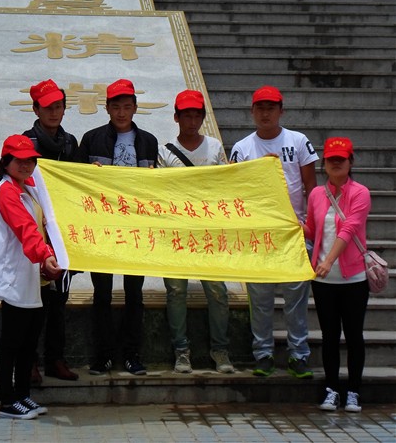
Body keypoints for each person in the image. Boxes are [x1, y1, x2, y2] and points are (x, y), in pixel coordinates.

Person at [229, 85, 318, 378]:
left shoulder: (298, 141)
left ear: (281, 110)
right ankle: (263, 353)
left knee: (296, 301)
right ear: (252, 111)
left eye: (271, 108)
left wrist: (311, 227)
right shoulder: (243, 148)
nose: (265, 113)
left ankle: (298, 354)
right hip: (259, 235)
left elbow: (311, 187)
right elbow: (235, 191)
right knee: (260, 300)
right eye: (260, 108)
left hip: (293, 233)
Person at [76, 78, 158, 375]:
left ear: (135, 108)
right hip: (102, 228)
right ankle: (103, 356)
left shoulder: (148, 141)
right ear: (107, 108)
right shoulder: (91, 138)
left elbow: (156, 188)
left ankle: (132, 354)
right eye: (116, 107)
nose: (121, 112)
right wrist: (89, 174)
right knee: (102, 294)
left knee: (135, 294)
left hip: (136, 228)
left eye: (127, 106)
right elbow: (76, 182)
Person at [0, 134, 62, 419]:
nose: (27, 165)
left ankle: (23, 395)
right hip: (14, 276)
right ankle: (7, 402)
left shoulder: (27, 187)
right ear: (6, 162)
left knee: (28, 342)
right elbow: (25, 227)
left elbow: (44, 221)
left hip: (32, 275)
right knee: (12, 342)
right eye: (20, 160)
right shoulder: (7, 191)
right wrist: (45, 254)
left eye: (31, 160)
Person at [157, 89, 234, 374]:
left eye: (197, 115)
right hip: (175, 231)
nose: (192, 121)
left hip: (208, 231)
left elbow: (226, 184)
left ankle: (220, 350)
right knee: (176, 291)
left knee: (217, 291)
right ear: (176, 117)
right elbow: (160, 190)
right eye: (186, 115)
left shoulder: (214, 147)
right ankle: (181, 350)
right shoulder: (164, 151)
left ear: (202, 117)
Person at [302, 137, 371, 413]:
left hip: (354, 279)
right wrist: (292, 223)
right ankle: (331, 390)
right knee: (329, 336)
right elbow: (311, 229)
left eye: (341, 158)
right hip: (323, 281)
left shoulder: (360, 193)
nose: (336, 163)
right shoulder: (317, 195)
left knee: (354, 335)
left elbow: (350, 228)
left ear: (351, 161)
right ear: (324, 164)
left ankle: (353, 391)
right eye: (331, 159)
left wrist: (329, 260)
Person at [23, 79, 79, 382]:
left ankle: (56, 359)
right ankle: (29, 362)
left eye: (59, 106)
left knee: (59, 300)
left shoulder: (70, 142)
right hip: (34, 233)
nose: (54, 112)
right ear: (36, 109)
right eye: (48, 108)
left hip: (61, 233)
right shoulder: (25, 143)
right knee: (34, 301)